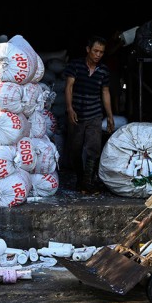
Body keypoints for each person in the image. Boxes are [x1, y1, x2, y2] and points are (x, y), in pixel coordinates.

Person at [64, 36, 115, 194]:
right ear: (88, 49)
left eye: (101, 52)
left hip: (95, 114)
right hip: (77, 114)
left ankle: (88, 182)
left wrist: (110, 116)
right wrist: (70, 109)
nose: (98, 55)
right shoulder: (76, 66)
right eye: (95, 51)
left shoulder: (104, 71)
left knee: (94, 148)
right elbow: (69, 87)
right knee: (75, 149)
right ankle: (81, 180)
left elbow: (105, 92)